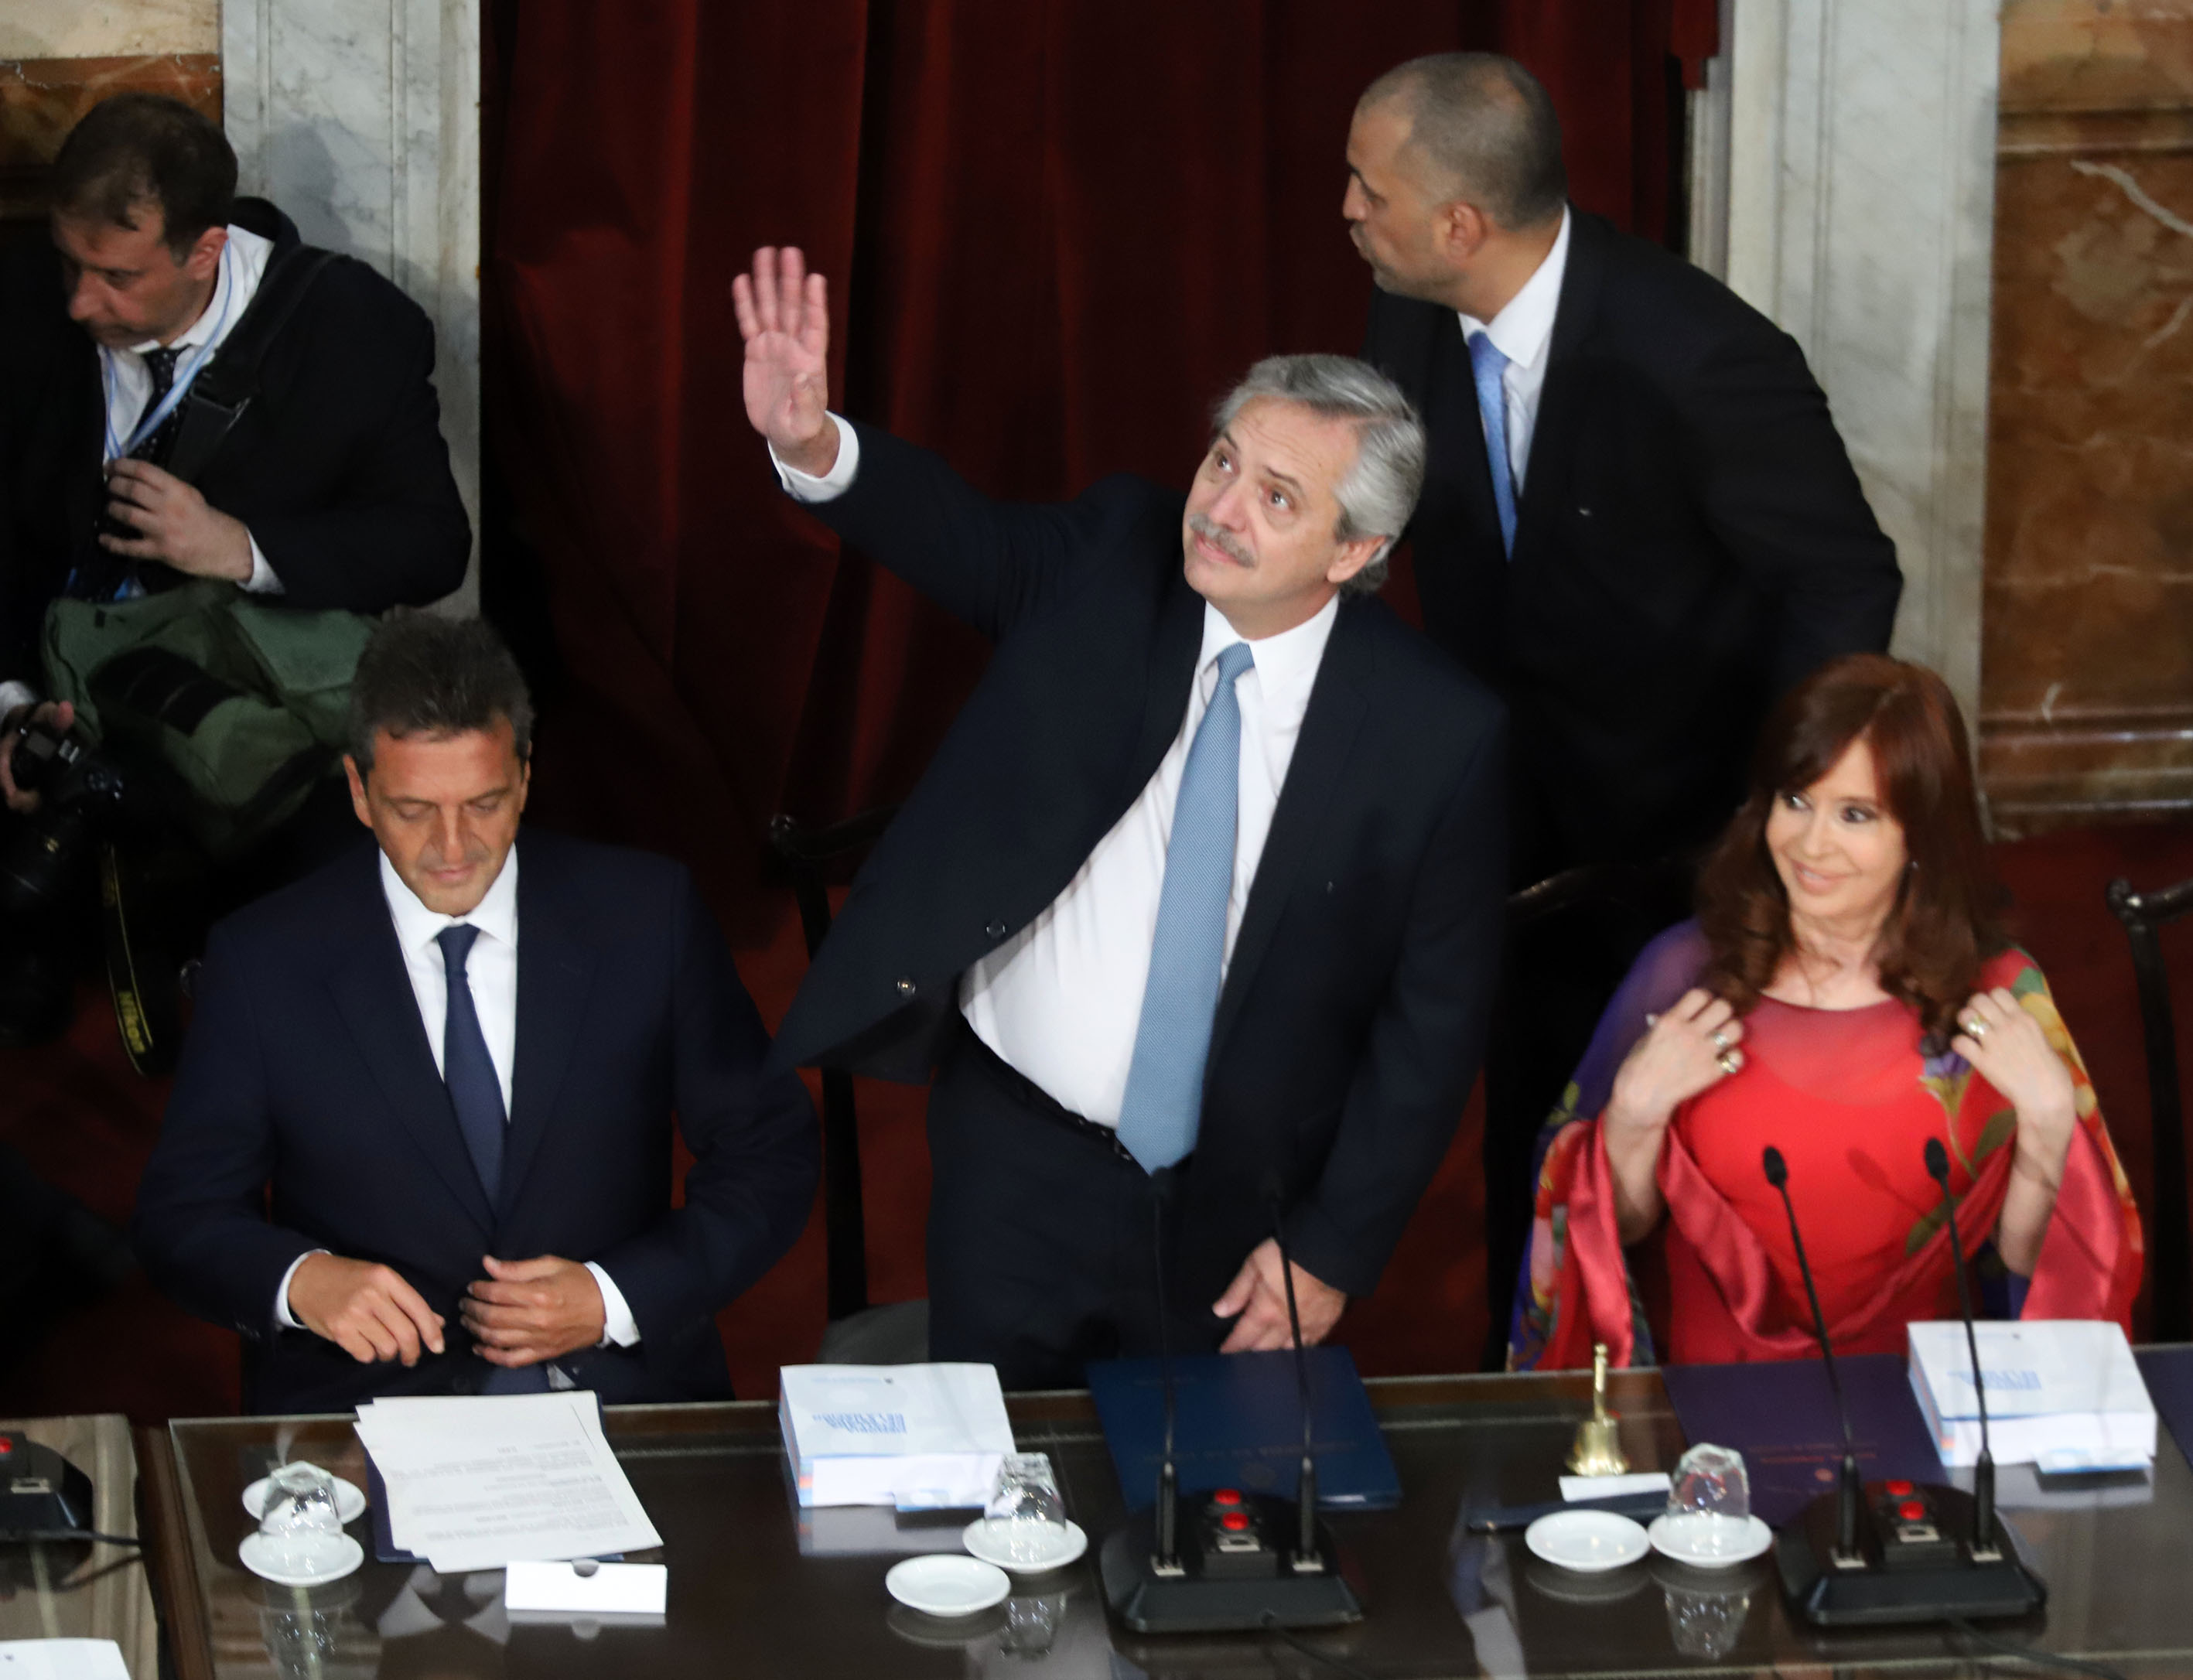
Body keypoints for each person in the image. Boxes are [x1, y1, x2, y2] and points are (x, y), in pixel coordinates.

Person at [737, 247, 1506, 1391]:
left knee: (1200, 1488)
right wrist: (812, 445)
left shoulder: (1436, 735)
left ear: (1355, 552)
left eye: (1276, 498)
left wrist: (1334, 1246)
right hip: (1013, 1159)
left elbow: (1431, 1023)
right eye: (1223, 460)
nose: (1220, 511)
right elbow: (962, 537)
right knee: (1000, 1478)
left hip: (1236, 1203)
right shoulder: (1112, 558)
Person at [1342, 53, 1906, 1353]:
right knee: (1528, 1118)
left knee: (1671, 1141)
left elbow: (1842, 577)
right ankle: (1533, 1377)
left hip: (1676, 836)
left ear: (1460, 225)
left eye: (1369, 190)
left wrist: (1778, 814)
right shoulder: (1410, 310)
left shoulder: (1704, 356)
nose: (1349, 212)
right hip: (1507, 817)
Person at [132, 614, 818, 1412]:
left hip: (616, 1392)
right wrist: (302, 1282)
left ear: (524, 779)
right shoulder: (262, 962)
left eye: (484, 804)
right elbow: (182, 1215)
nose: (452, 847)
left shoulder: (647, 917)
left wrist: (615, 1297)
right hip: (367, 1407)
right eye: (413, 809)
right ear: (358, 791)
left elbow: (768, 1150)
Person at [1509, 655, 2141, 1370]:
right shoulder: (1684, 974)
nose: (1811, 845)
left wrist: (2051, 1121)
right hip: (1706, 1406)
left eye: (1854, 815)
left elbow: (2030, 1263)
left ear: (1920, 835)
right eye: (1795, 801)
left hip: (1920, 1401)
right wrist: (1631, 1117)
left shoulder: (1996, 992)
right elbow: (1606, 1235)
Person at [0, 93, 470, 1038]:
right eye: (69, 262)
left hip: (224, 700)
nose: (80, 302)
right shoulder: (19, 299)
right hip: (42, 680)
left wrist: (242, 548)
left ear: (206, 251)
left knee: (351, 878)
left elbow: (431, 543)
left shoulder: (351, 328)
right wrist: (9, 708)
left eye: (116, 276)